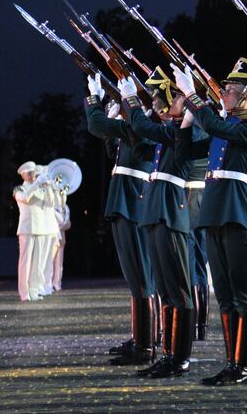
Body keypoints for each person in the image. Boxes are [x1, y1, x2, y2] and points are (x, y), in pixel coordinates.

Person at [181, 59, 247, 387]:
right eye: (224, 90)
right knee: (224, 292)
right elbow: (187, 151)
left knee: (242, 292)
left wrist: (194, 97)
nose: (224, 95)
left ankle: (245, 365)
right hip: (215, 211)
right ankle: (231, 362)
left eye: (231, 91)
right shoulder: (225, 126)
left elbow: (218, 126)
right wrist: (185, 120)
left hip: (238, 212)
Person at [124, 72, 207, 379]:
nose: (166, 104)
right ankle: (169, 353)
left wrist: (131, 100)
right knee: (165, 288)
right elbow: (141, 134)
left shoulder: (188, 131)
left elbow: (144, 126)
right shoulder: (171, 129)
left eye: (174, 98)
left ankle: (180, 357)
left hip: (173, 209)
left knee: (179, 289)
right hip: (157, 208)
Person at [84, 80, 158, 364]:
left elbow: (96, 126)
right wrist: (113, 115)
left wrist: (94, 99)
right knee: (134, 276)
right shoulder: (138, 125)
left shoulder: (145, 126)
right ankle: (141, 337)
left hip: (134, 201)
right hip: (125, 200)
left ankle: (146, 344)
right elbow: (111, 145)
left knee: (142, 276)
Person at [14, 161, 55, 303]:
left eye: (33, 173)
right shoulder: (19, 189)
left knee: (38, 262)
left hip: (40, 228)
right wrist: (36, 184)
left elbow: (50, 203)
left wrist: (49, 187)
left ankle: (35, 289)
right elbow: (25, 197)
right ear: (23, 174)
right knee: (25, 262)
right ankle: (24, 293)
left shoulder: (37, 188)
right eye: (29, 173)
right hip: (26, 229)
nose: (32, 175)